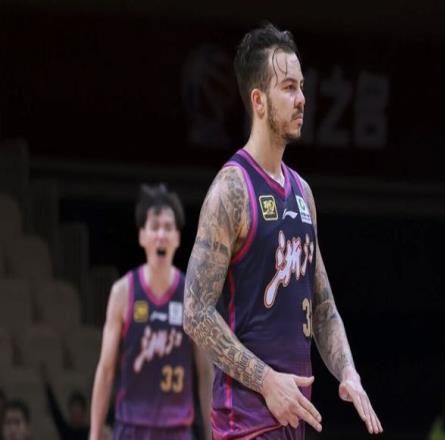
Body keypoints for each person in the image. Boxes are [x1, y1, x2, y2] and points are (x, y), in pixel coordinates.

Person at [183, 22, 383, 439]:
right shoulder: (232, 189)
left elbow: (323, 305)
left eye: (302, 87)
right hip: (245, 423)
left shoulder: (302, 192)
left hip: (293, 418)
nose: (302, 99)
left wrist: (348, 371)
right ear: (258, 100)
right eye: (289, 87)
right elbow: (195, 312)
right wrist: (266, 381)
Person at [90, 184, 213, 440]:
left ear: (177, 237)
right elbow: (106, 370)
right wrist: (94, 433)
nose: (161, 235)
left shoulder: (193, 296)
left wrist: (214, 435)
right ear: (142, 236)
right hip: (131, 427)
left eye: (168, 228)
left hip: (177, 430)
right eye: (154, 227)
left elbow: (205, 372)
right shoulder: (122, 292)